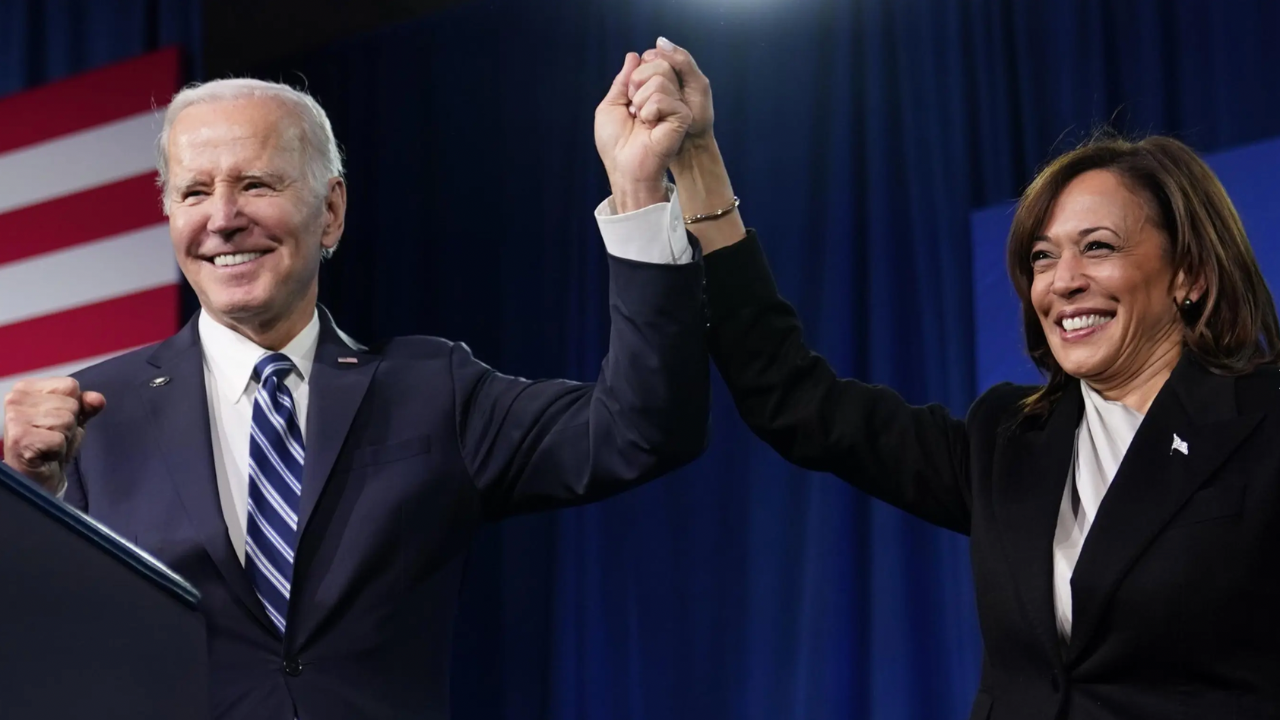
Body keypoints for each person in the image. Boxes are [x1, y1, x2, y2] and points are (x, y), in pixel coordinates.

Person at [2, 48, 708, 720]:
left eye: (256, 184)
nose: (222, 219)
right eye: (194, 192)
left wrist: (639, 190)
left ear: (330, 210)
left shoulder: (434, 390)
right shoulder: (92, 416)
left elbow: (641, 430)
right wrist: (26, 500)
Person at [633, 41, 1280, 719]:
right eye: (1041, 256)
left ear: (1190, 275)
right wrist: (698, 161)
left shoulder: (1261, 423)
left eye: (1099, 247)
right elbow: (793, 399)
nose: (1061, 282)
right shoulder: (1008, 438)